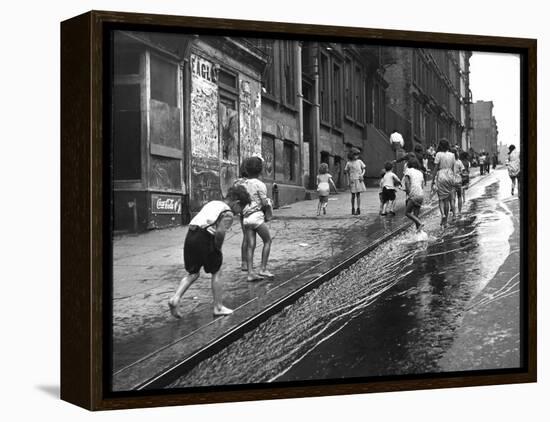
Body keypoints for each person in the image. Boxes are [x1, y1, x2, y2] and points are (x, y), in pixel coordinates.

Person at [168, 185, 251, 318]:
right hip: (204, 237)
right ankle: (218, 307)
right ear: (236, 203)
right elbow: (220, 233)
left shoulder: (214, 203)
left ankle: (175, 298)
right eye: (240, 209)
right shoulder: (228, 213)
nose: (239, 213)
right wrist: (217, 249)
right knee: (217, 271)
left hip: (191, 234)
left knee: (193, 273)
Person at [242, 156, 274, 281]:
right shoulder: (260, 185)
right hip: (257, 217)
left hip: (246, 218)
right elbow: (264, 202)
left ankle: (250, 273)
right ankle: (263, 269)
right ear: (260, 170)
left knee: (251, 245)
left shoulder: (243, 184)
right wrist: (269, 204)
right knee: (267, 241)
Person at [431, 138, 456, 227]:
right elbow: (453, 169)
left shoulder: (438, 154)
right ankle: (445, 221)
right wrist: (454, 179)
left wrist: (433, 180)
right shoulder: (452, 155)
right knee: (448, 199)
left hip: (441, 175)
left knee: (442, 198)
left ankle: (444, 217)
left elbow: (435, 168)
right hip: (450, 175)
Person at [402, 157, 425, 233]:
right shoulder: (420, 172)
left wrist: (409, 194)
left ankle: (419, 222)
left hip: (413, 194)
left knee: (407, 212)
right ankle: (419, 233)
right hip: (421, 194)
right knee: (416, 215)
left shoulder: (408, 171)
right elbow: (422, 185)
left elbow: (407, 183)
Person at [344, 148, 367, 215]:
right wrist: (348, 180)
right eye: (355, 155)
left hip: (359, 179)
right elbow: (346, 171)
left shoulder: (359, 161)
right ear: (352, 155)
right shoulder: (348, 163)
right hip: (352, 180)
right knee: (353, 195)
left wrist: (362, 175)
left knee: (358, 195)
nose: (357, 156)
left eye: (357, 155)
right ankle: (353, 208)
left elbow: (364, 169)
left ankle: (358, 208)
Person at [452, 148, 465, 214]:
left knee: (453, 198)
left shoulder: (450, 162)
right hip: (459, 181)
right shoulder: (459, 161)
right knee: (459, 196)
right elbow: (463, 170)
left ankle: (454, 213)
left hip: (451, 181)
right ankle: (459, 211)